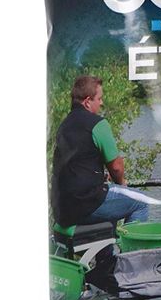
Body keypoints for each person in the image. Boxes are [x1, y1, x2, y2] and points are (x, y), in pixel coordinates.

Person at [51, 75, 148, 228]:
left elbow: (75, 165)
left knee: (109, 196)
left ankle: (107, 244)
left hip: (62, 208)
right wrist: (122, 184)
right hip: (85, 204)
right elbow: (116, 166)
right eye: (99, 98)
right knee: (141, 202)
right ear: (87, 101)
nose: (102, 103)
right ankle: (130, 244)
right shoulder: (97, 124)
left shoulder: (64, 125)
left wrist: (96, 176)